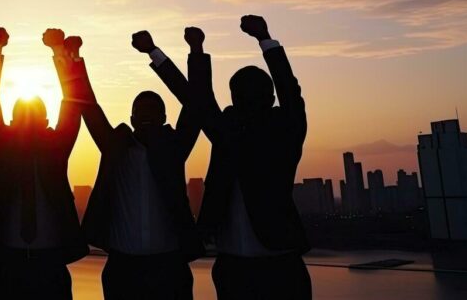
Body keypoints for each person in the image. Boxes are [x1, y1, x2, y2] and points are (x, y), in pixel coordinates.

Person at [159, 15, 311, 300]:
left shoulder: (283, 131)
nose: (242, 100)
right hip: (232, 266)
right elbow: (196, 98)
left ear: (268, 98)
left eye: (246, 94)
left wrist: (265, 38)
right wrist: (194, 51)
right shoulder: (229, 132)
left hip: (279, 263)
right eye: (239, 94)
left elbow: (289, 90)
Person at [63, 29, 204, 300]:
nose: (147, 115)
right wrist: (74, 59)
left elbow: (196, 101)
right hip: (122, 268)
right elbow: (89, 107)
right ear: (132, 117)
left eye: (154, 110)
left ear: (164, 117)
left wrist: (160, 51)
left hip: (170, 268)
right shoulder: (116, 147)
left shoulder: (175, 147)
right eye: (141, 111)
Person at [0, 28, 88, 300]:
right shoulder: (1, 148)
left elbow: (73, 104)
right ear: (10, 124)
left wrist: (60, 53)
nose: (28, 124)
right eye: (22, 117)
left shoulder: (57, 148)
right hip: (6, 264)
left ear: (47, 123)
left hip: (51, 265)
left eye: (34, 117)